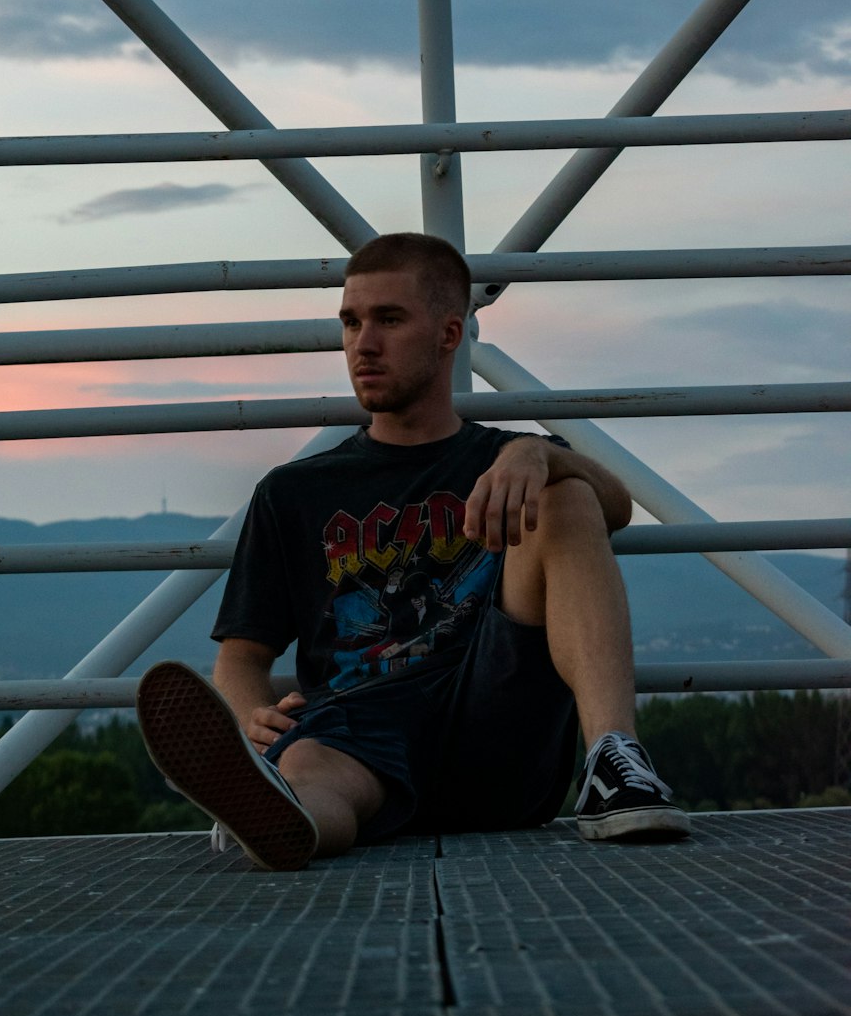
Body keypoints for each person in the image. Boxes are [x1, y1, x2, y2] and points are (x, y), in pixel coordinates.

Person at [136, 232, 690, 869]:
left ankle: (614, 763)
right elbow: (241, 656)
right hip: (359, 733)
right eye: (350, 322)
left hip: (496, 723)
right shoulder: (294, 492)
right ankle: (279, 813)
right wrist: (251, 715)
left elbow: (614, 505)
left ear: (449, 335)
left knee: (566, 495)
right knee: (313, 767)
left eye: (389, 320)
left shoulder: (505, 462)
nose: (362, 344)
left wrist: (538, 454)